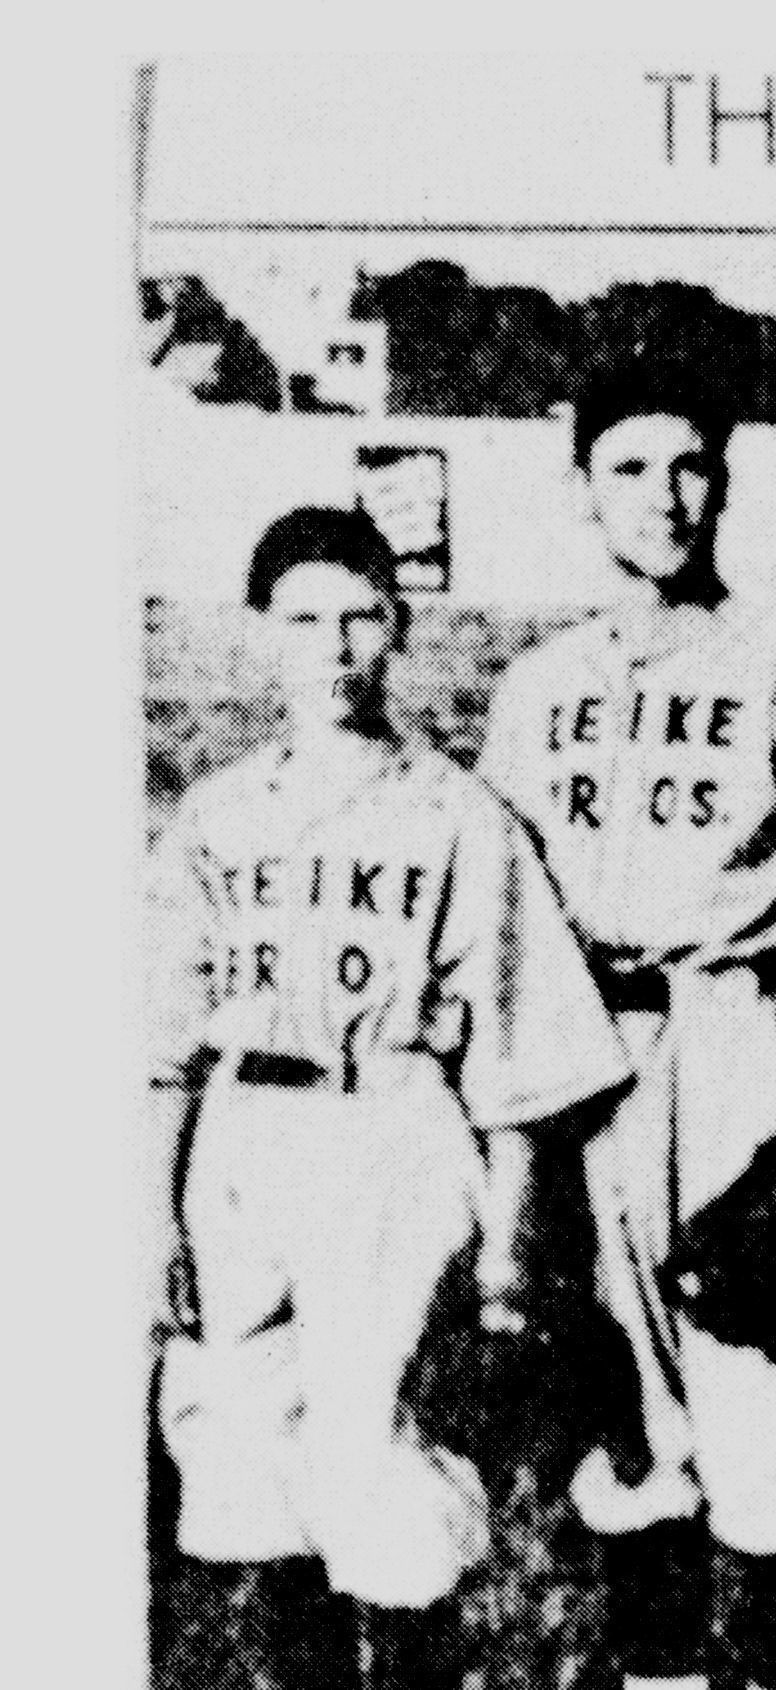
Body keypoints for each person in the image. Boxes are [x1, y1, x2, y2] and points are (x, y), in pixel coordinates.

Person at [477, 369, 776, 1690]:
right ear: (582, 491)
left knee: (773, 1425)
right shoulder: (539, 681)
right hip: (587, 1060)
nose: (665, 497)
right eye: (629, 468)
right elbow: (507, 924)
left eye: (690, 466)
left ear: (722, 484)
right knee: (628, 1431)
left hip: (737, 1028)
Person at [150, 507, 629, 1690]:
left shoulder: (457, 813)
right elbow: (159, 1040)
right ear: (264, 635)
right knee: (244, 1463)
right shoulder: (215, 813)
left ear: (398, 628)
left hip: (394, 1127)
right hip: (245, 1132)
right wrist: (153, 1212)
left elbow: (518, 1058)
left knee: (384, 1463)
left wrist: (510, 1249)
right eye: (304, 619)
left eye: (360, 615)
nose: (333, 644)